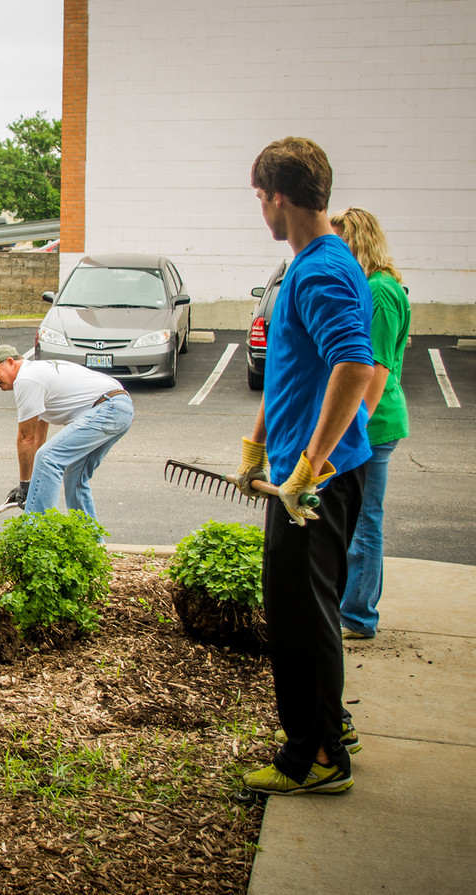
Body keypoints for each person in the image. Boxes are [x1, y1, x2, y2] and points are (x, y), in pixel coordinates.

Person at [228, 137, 375, 796]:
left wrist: (308, 466)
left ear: (279, 197)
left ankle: (313, 757)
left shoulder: (318, 269)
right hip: (299, 470)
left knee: (298, 617)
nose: (260, 209)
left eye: (260, 197)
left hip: (310, 484)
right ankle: (332, 726)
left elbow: (354, 366)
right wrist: (257, 443)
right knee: (312, 609)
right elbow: (294, 372)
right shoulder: (311, 264)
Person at [330, 208, 411, 640]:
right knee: (362, 519)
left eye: (342, 242)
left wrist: (350, 429)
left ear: (358, 241)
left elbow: (374, 372)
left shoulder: (380, 291)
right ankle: (356, 609)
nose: (337, 251)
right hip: (375, 425)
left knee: (364, 522)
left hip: (374, 426)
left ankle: (358, 616)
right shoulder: (381, 286)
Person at [0, 345, 133, 524]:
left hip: (108, 407)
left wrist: (25, 484)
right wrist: (29, 484)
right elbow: (37, 440)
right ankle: (91, 542)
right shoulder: (37, 374)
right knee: (74, 477)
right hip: (119, 408)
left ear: (11, 362)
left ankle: (39, 535)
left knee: (49, 457)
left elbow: (25, 439)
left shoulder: (26, 379)